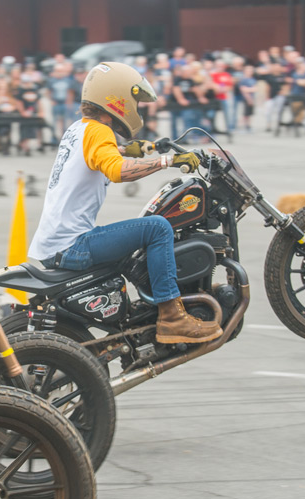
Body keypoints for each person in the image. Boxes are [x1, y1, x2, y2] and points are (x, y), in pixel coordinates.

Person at [28, 62, 222, 344]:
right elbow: (117, 171)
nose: (137, 107)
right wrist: (168, 161)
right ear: (116, 98)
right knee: (157, 227)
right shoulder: (99, 132)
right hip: (72, 244)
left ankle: (150, 306)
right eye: (135, 100)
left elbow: (98, 154)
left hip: (53, 242)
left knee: (138, 238)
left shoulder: (78, 129)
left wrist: (135, 148)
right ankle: (171, 317)